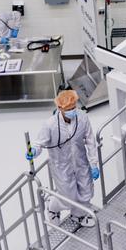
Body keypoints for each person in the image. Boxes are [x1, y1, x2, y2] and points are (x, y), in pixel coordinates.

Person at [28, 90, 94, 226]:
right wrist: (34, 150)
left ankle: (78, 216)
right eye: (69, 109)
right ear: (60, 108)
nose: (72, 111)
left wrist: (94, 164)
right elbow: (39, 143)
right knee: (68, 197)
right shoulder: (50, 124)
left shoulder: (82, 118)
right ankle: (53, 207)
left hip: (81, 162)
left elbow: (90, 141)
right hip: (61, 166)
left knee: (86, 191)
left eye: (74, 107)